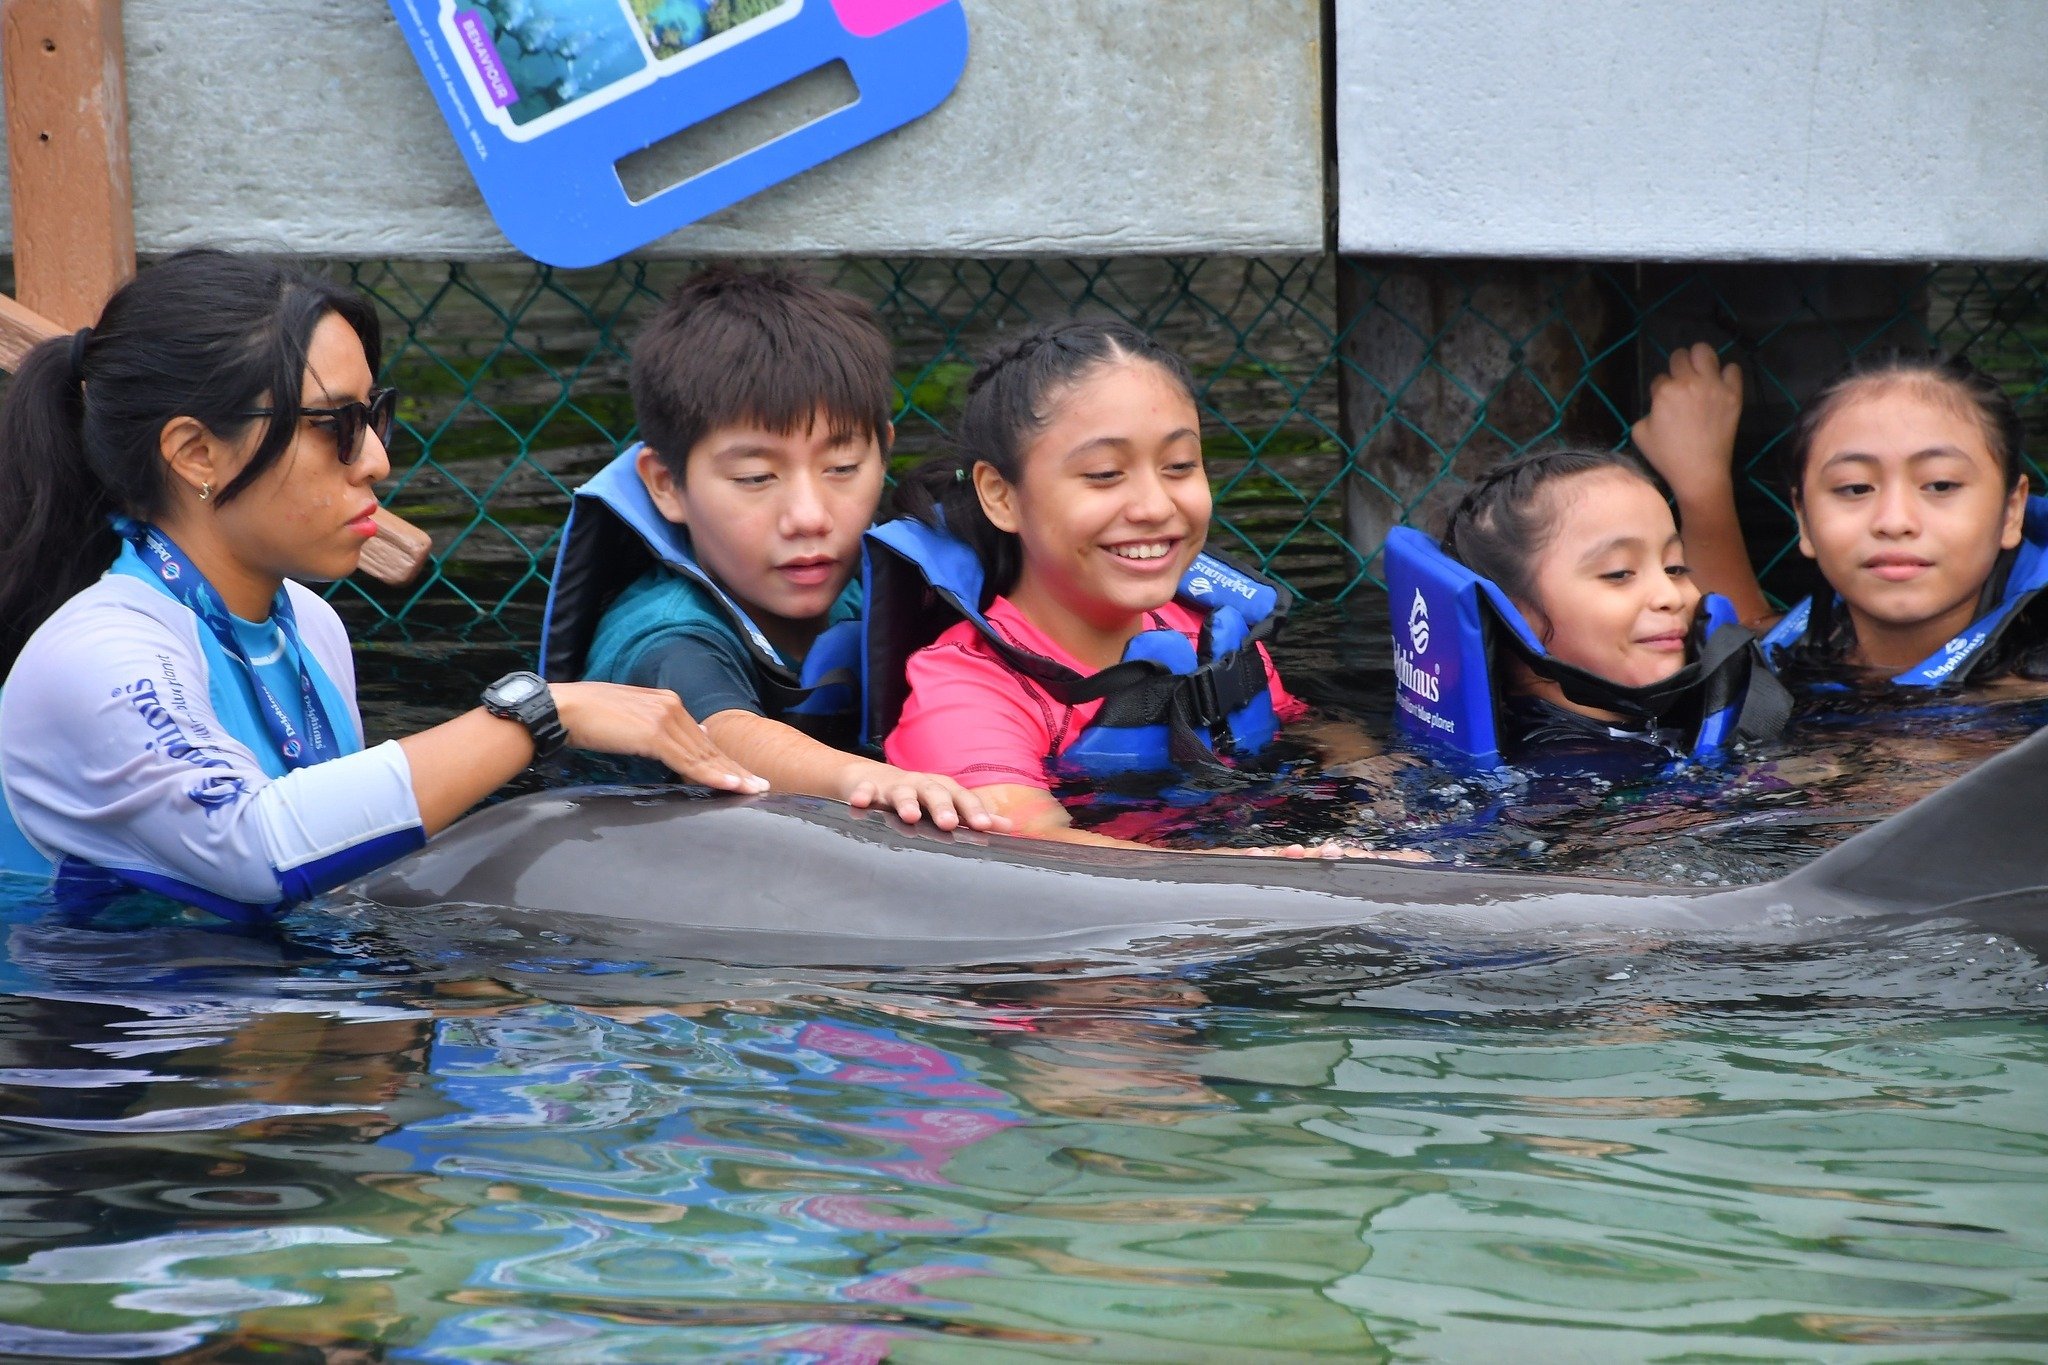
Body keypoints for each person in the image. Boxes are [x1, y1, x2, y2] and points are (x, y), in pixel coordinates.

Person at [0, 249, 767, 921]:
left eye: (373, 416)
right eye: (334, 425)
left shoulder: (309, 624)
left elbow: (334, 865)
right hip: (98, 1023)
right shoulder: (98, 652)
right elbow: (255, 847)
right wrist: (539, 710)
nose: (375, 459)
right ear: (196, 453)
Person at [871, 320, 1383, 849]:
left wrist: (1374, 799)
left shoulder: (1206, 632)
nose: (1155, 507)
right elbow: (1033, 850)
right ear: (1001, 496)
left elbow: (1304, 725)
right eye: (1104, 473)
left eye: (1179, 466)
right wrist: (1279, 869)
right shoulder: (968, 693)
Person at [539, 268, 1000, 832]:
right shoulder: (666, 636)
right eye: (756, 477)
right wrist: (867, 778)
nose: (809, 516)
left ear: (884, 452)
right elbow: (721, 732)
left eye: (842, 468)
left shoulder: (873, 587)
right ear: (666, 484)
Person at [1632, 343, 2045, 686]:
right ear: (1804, 519)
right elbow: (1744, 630)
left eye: (1940, 485)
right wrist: (1701, 484)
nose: (1894, 522)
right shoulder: (1791, 659)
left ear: (2012, 511)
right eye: (1855, 488)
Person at [1387, 448, 1787, 770]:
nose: (1670, 595)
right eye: (1619, 573)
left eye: (1675, 568)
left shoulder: (1707, 706)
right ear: (1513, 616)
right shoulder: (1555, 777)